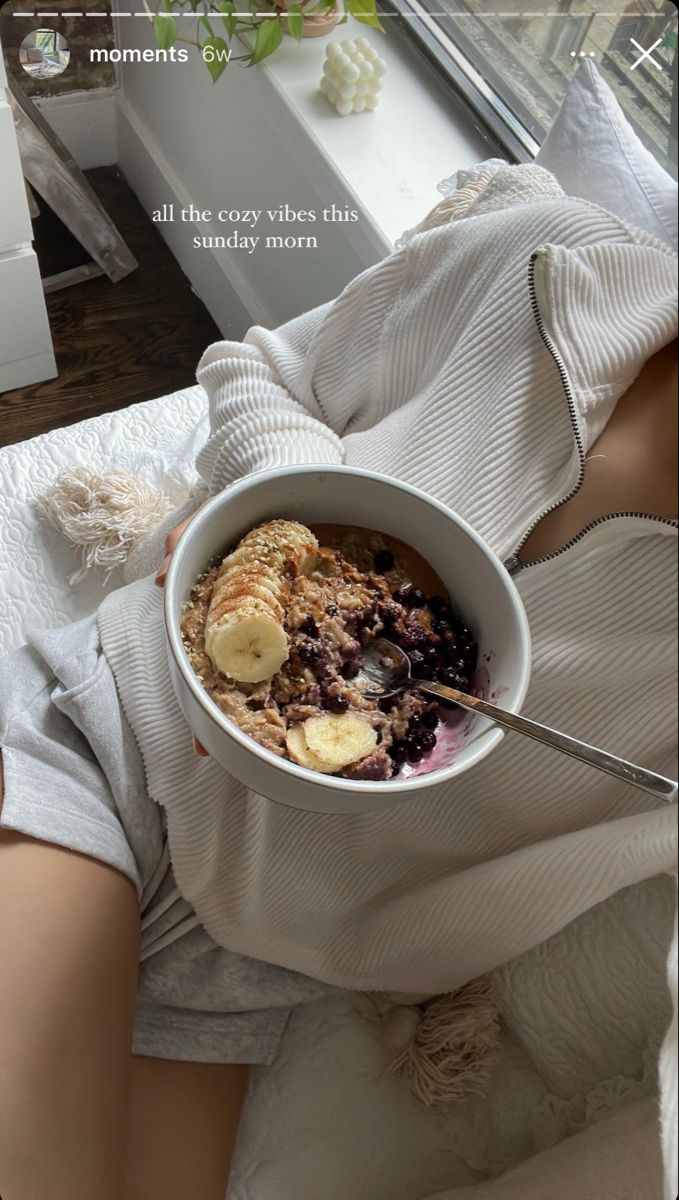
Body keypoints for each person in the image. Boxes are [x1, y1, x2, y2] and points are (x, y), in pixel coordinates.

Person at [0, 163, 677, 1200]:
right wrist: (260, 507)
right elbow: (261, 370)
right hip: (115, 744)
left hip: (260, 961)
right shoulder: (544, 265)